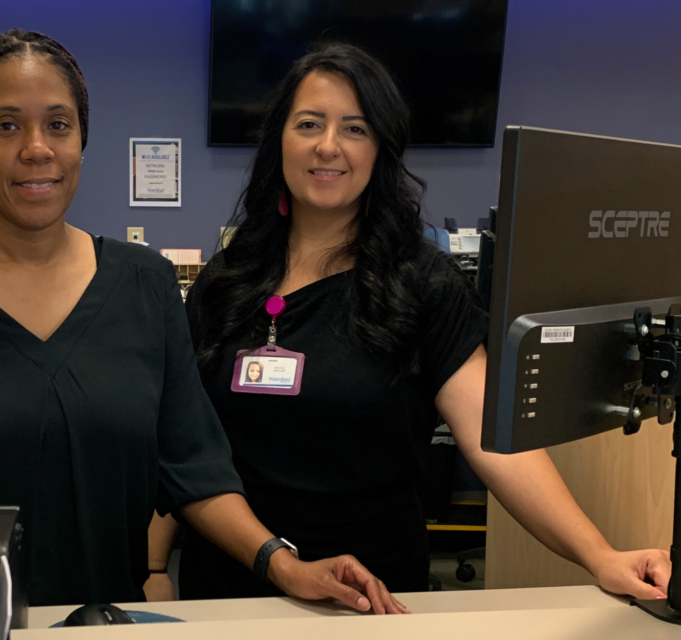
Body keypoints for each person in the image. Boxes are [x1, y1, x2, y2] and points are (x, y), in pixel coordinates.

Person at [0, 30, 409, 612]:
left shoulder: (143, 284)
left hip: (102, 619)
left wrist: (285, 566)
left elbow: (194, 464)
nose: (37, 148)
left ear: (81, 139)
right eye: (6, 125)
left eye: (59, 125)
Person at [148, 44, 672, 602]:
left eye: (355, 128)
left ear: (381, 150)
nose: (328, 145)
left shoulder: (423, 285)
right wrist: (155, 568)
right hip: (232, 584)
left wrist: (599, 554)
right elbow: (182, 441)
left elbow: (491, 442)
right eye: (309, 124)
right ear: (280, 139)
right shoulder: (225, 281)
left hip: (370, 591)